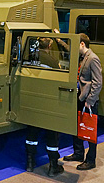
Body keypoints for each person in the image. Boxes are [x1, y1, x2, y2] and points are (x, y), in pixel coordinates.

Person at [63, 33, 102, 170]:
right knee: (77, 126)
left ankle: (91, 160)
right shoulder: (82, 57)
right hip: (80, 97)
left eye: (75, 44)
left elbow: (98, 82)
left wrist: (90, 100)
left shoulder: (93, 59)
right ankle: (78, 153)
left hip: (89, 101)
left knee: (90, 130)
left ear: (82, 44)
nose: (73, 48)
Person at [25, 37, 63, 177]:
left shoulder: (29, 57)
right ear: (50, 45)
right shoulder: (52, 61)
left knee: (31, 134)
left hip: (33, 99)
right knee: (52, 135)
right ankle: (53, 166)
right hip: (49, 102)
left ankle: (29, 163)